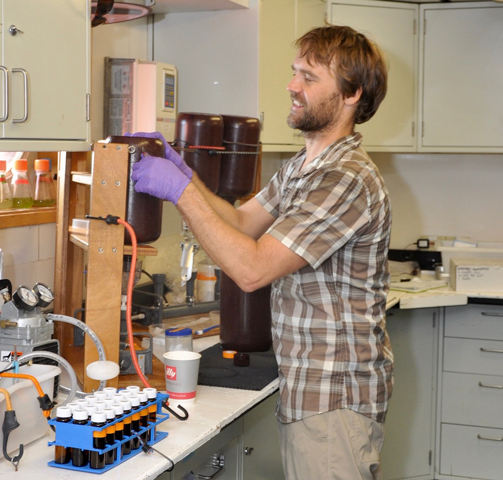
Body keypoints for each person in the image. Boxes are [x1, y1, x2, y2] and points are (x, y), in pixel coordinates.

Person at [131, 24, 392, 480]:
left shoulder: (344, 178)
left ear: (352, 94)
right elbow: (239, 223)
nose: (292, 85)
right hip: (311, 390)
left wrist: (180, 192)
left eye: (309, 77)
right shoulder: (303, 168)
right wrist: (188, 178)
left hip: (333, 397)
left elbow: (252, 269)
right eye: (295, 72)